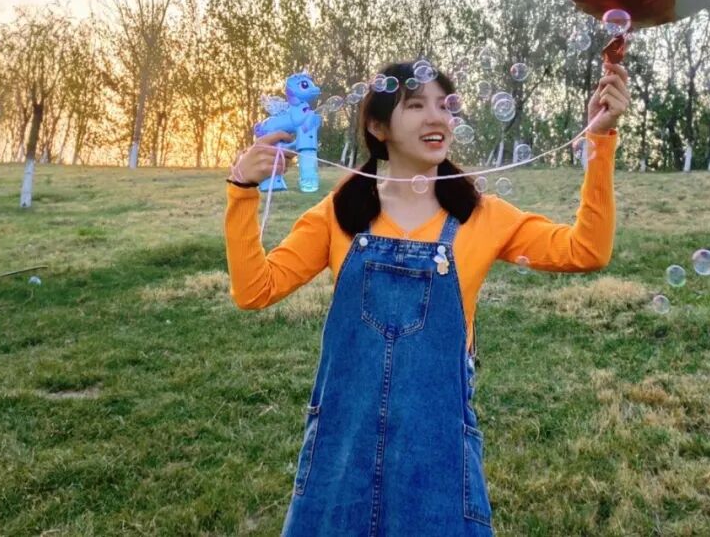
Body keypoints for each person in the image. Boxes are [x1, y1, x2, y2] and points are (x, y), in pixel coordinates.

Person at [225, 59, 629, 536]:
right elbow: (255, 290)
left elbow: (587, 250)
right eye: (416, 105)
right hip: (342, 450)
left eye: (445, 105)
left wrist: (600, 139)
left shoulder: (484, 216)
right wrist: (242, 190)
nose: (437, 117)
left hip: (437, 458)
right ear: (379, 128)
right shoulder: (339, 213)